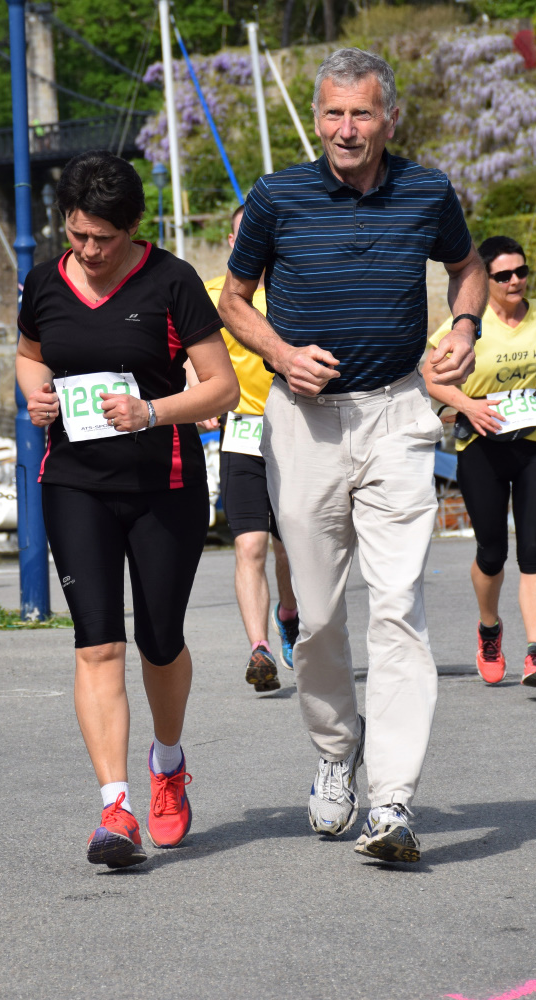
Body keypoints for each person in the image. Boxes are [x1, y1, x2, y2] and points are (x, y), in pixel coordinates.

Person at [217, 48, 486, 864]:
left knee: (399, 605)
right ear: (317, 119)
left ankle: (393, 800)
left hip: (398, 413)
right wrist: (278, 352)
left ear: (388, 119)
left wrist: (465, 327)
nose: (346, 129)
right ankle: (337, 751)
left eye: (361, 113)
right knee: (320, 616)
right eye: (333, 113)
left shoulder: (428, 191)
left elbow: (467, 268)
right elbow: (232, 299)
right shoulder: (277, 196)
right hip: (303, 421)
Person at [16, 150, 239, 869]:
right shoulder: (44, 282)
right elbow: (29, 352)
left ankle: (167, 764)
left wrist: (152, 411)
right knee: (97, 643)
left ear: (134, 228)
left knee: (160, 641)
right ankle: (116, 808)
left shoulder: (172, 281)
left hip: (162, 483)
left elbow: (223, 387)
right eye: (77, 234)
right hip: (73, 481)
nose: (89, 250)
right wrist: (35, 393)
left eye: (103, 239)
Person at [424, 236, 536, 690]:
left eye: (521, 272)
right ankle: (489, 629)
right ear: (486, 279)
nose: (516, 281)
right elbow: (430, 376)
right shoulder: (465, 327)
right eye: (504, 275)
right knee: (492, 553)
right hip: (481, 446)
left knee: (534, 551)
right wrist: (467, 406)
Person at [204, 204, 299, 693]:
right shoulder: (212, 296)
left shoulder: (293, 288)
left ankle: (289, 614)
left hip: (293, 430)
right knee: (249, 544)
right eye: (244, 234)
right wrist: (197, 392)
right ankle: (259, 648)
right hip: (241, 432)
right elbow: (188, 353)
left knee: (289, 547)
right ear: (231, 241)